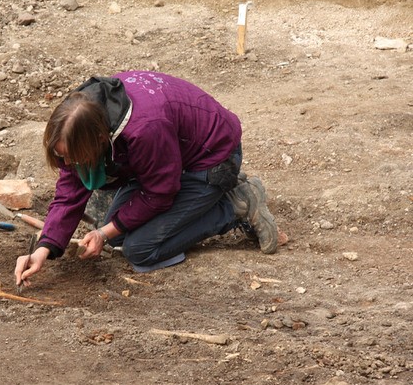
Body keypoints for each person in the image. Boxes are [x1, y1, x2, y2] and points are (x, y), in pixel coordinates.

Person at [15, 70, 277, 287]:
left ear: (97, 140)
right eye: (64, 157)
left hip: (213, 156)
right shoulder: (78, 124)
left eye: (74, 157)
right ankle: (207, 201)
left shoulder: (144, 129)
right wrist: (43, 249)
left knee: (140, 250)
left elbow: (160, 192)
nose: (69, 164)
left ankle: (233, 206)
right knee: (117, 235)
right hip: (166, 158)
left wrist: (102, 233)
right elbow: (70, 190)